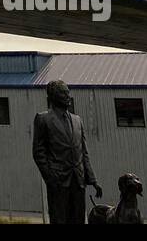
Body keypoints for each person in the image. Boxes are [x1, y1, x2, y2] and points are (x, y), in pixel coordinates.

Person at [32, 79, 101, 224]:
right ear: (53, 96)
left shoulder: (77, 120)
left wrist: (92, 180)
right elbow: (38, 153)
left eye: (68, 92)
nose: (67, 96)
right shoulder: (43, 119)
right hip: (58, 181)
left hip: (78, 180)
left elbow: (84, 153)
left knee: (78, 218)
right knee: (59, 219)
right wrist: (50, 178)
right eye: (63, 93)